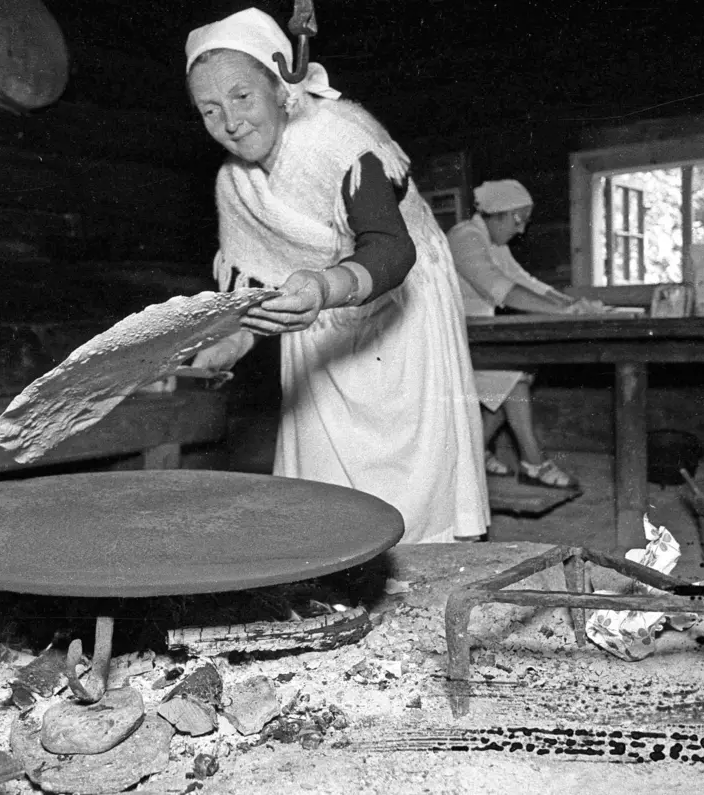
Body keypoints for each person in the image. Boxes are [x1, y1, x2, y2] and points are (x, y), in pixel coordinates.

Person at [184, 8, 489, 543]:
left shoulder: (340, 139)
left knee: (410, 470)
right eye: (210, 110)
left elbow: (393, 249)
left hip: (397, 306)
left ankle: (424, 558)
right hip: (317, 316)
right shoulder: (234, 184)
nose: (230, 123)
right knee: (327, 478)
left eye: (242, 97)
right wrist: (231, 344)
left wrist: (324, 287)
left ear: (282, 89)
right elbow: (254, 290)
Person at [447, 179, 604, 490]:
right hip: (451, 338)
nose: (521, 230)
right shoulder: (465, 237)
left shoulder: (494, 243)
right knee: (514, 378)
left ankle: (472, 453)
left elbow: (523, 280)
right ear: (498, 214)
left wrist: (569, 303)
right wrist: (564, 313)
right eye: (518, 220)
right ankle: (534, 462)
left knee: (518, 377)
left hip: (477, 334)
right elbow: (498, 287)